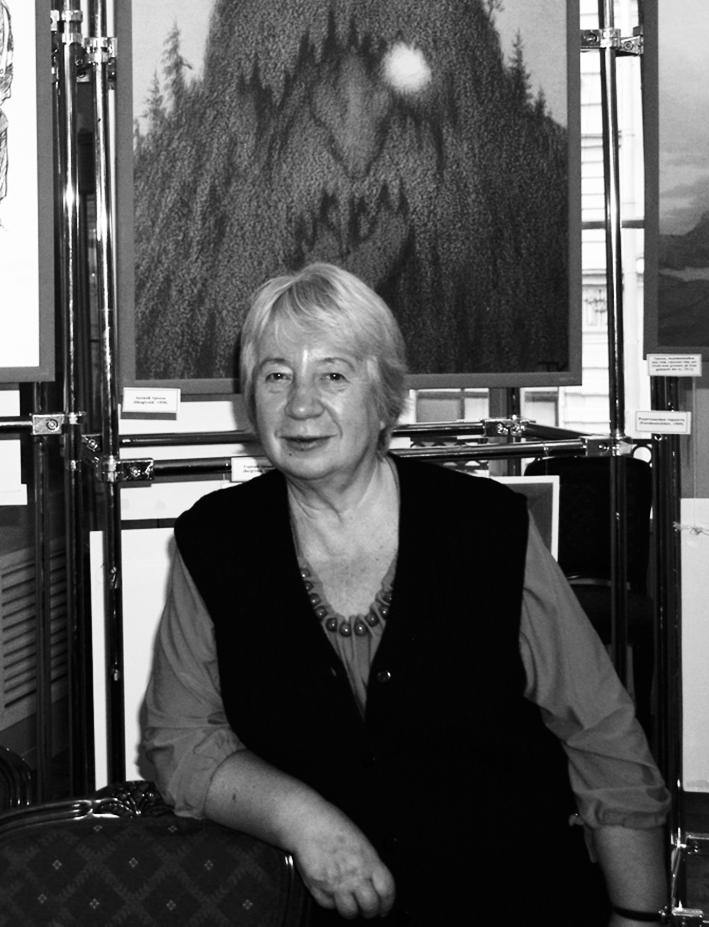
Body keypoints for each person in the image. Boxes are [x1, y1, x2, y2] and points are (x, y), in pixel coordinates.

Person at [142, 263, 671, 925]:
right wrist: (304, 820)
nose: (301, 404)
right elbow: (179, 740)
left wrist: (638, 916)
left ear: (385, 396)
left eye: (333, 375)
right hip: (315, 908)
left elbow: (600, 734)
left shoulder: (486, 527)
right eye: (276, 376)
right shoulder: (216, 539)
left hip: (516, 898)